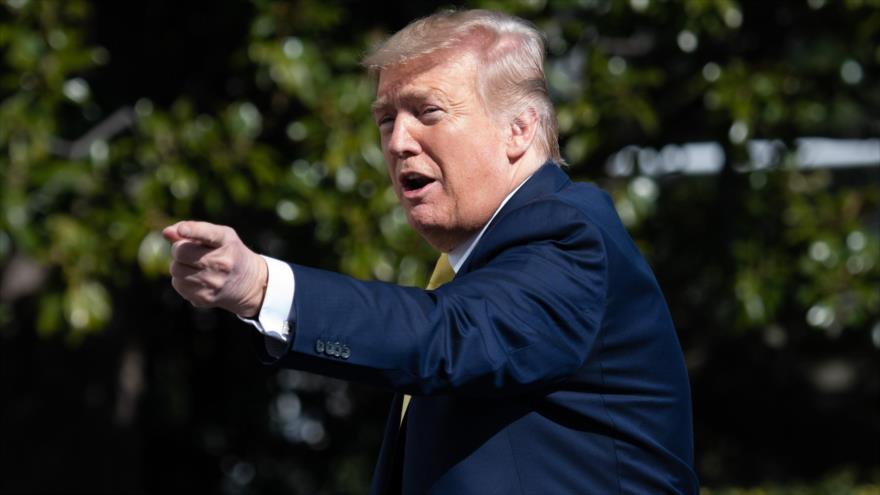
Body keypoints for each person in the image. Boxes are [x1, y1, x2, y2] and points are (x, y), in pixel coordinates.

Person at [163, 9, 699, 494]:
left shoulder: (568, 234)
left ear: (519, 130)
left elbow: (448, 337)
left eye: (429, 111)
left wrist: (262, 286)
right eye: (386, 120)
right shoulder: (479, 263)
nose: (398, 142)